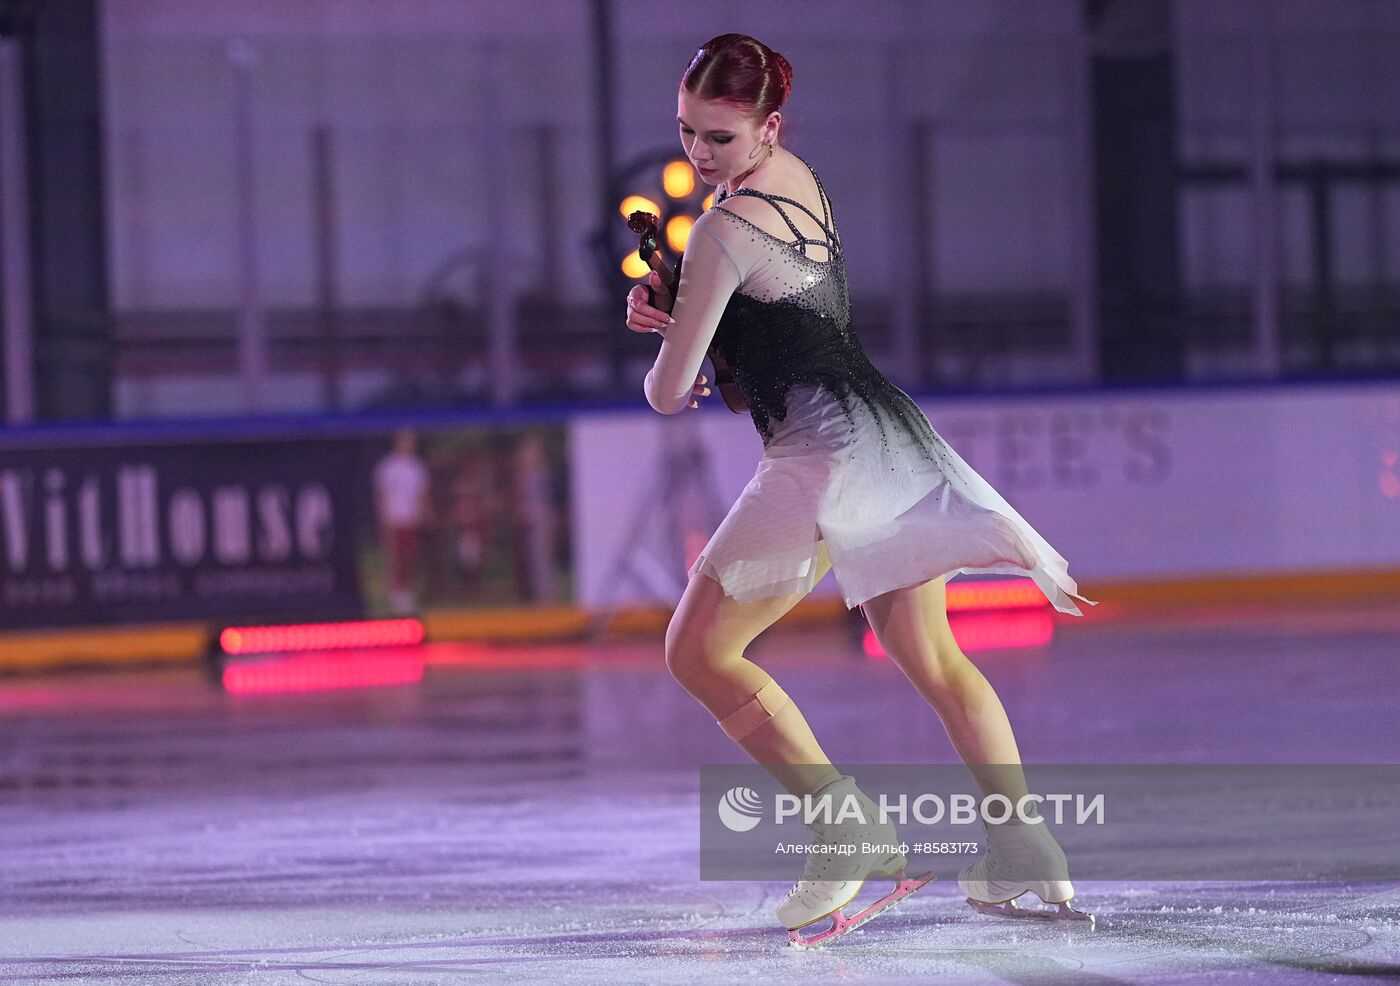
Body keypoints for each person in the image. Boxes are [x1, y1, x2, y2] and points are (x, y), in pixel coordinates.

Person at [625, 33, 1098, 945]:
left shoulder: (721, 226)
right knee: (933, 657)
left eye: (718, 138)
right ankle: (1025, 846)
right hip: (888, 436)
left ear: (768, 126)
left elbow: (667, 393)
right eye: (687, 133)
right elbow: (776, 324)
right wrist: (694, 312)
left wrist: (669, 327)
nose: (698, 154)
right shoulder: (799, 180)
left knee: (696, 652)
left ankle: (841, 824)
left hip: (820, 458)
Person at [373, 428, 432, 615]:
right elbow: (383, 494)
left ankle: (407, 591)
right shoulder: (388, 466)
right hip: (395, 518)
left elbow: (422, 494)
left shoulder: (417, 467)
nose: (408, 445)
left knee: (410, 556)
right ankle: (396, 594)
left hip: (412, 519)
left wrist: (424, 515)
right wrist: (385, 518)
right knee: (395, 557)